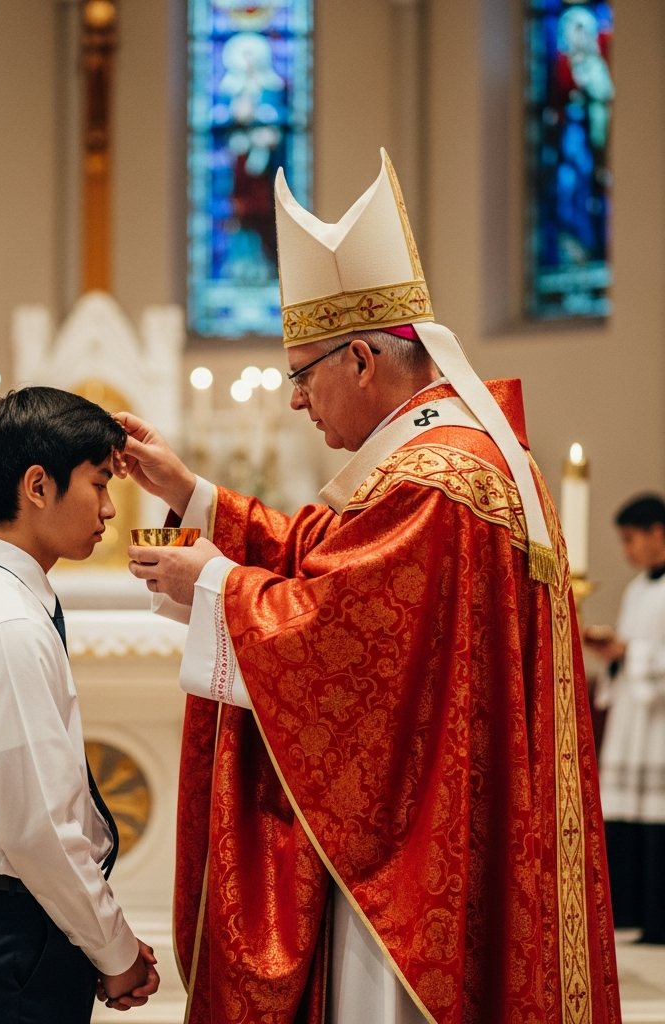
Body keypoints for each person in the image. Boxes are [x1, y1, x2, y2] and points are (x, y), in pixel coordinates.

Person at [122, 150, 620, 1023]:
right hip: (440, 811)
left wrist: (218, 587)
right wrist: (195, 496)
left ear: (360, 358)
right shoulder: (445, 454)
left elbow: (343, 644)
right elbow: (339, 561)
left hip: (413, 848)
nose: (295, 402)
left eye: (301, 375)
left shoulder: (435, 479)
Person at [0, 387, 160, 1023]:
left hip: (19, 925)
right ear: (38, 486)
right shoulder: (8, 626)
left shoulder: (10, 606)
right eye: (98, 484)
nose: (110, 509)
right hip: (8, 936)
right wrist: (115, 949)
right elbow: (36, 828)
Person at [586, 493, 665, 944]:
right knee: (627, 815)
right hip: (634, 718)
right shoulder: (636, 590)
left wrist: (631, 652)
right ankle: (633, 915)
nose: (626, 550)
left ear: (658, 531)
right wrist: (615, 655)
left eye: (631, 538)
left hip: (659, 724)